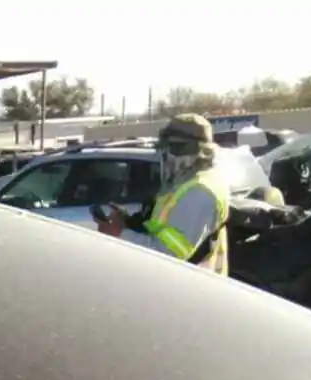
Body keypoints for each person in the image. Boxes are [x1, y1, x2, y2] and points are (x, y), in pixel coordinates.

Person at [96, 114, 230, 274]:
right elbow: (164, 231)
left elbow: (169, 255)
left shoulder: (199, 191)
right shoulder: (189, 180)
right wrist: (130, 222)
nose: (167, 155)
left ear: (200, 150)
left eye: (176, 148)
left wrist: (120, 234)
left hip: (185, 287)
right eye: (165, 147)